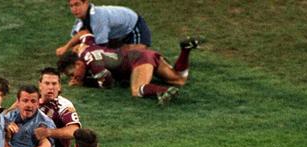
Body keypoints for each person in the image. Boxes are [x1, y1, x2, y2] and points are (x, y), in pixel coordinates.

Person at [58, 33, 201, 104]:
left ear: (77, 64)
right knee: (179, 79)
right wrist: (71, 46)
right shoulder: (86, 48)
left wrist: (84, 82)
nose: (74, 77)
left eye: (72, 74)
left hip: (138, 60)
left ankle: (163, 91)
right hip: (146, 54)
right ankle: (185, 50)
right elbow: (86, 34)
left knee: (137, 90)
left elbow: (107, 82)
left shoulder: (92, 63)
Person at [56, 0, 152, 57]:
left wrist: (79, 49)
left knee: (135, 56)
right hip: (117, 32)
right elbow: (80, 35)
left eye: (77, 4)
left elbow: (101, 48)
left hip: (135, 27)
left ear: (86, 3)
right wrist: (66, 48)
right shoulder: (81, 19)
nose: (74, 9)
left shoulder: (98, 18)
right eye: (71, 6)